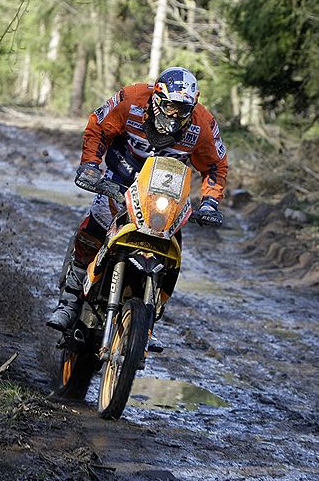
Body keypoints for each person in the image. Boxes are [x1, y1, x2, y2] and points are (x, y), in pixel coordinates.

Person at [46, 66, 228, 333]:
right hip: (121, 176)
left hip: (166, 192)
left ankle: (149, 318)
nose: (175, 115)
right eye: (169, 106)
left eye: (182, 110)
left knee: (171, 246)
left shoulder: (202, 124)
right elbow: (99, 126)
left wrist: (210, 202)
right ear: (157, 98)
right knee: (96, 226)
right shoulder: (131, 99)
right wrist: (90, 166)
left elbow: (215, 165)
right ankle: (70, 300)